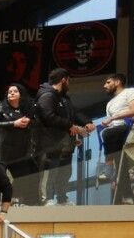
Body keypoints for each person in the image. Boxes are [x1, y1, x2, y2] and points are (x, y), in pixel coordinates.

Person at [35, 68, 93, 205]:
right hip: (50, 143)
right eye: (68, 81)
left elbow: (75, 112)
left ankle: (62, 199)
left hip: (66, 143)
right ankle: (47, 199)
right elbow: (48, 116)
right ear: (63, 80)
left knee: (65, 172)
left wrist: (87, 122)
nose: (69, 84)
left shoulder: (64, 98)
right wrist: (70, 126)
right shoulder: (47, 95)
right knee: (51, 170)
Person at [100, 73, 134, 203]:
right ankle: (128, 195)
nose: (105, 86)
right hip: (116, 134)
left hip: (129, 127)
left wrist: (113, 117)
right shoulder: (109, 104)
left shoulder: (130, 92)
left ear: (117, 82)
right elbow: (111, 124)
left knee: (107, 134)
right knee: (120, 163)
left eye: (108, 82)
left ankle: (108, 166)